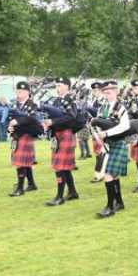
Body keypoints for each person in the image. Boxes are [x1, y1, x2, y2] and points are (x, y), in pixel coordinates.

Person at [93, 81, 132, 218]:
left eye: (109, 92)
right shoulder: (102, 108)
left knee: (108, 175)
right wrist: (98, 137)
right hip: (107, 144)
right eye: (105, 92)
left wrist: (107, 134)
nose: (107, 95)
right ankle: (119, 202)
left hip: (118, 143)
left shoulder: (120, 108)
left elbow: (125, 126)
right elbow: (96, 123)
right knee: (113, 175)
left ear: (116, 92)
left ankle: (110, 207)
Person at [43, 77, 79, 206]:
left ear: (67, 86)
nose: (57, 87)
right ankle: (72, 192)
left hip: (66, 134)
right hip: (57, 135)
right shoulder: (57, 100)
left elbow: (71, 116)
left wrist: (53, 122)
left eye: (60, 85)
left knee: (59, 166)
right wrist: (48, 123)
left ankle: (59, 196)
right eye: (56, 85)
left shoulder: (70, 99)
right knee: (64, 167)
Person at [8, 81, 41, 196]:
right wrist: (10, 128)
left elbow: (31, 118)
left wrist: (17, 121)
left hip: (26, 134)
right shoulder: (16, 105)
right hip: (17, 135)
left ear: (27, 92)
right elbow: (10, 118)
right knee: (25, 162)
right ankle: (31, 184)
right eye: (17, 91)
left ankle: (20, 188)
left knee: (20, 162)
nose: (18, 93)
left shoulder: (32, 104)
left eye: (20, 91)